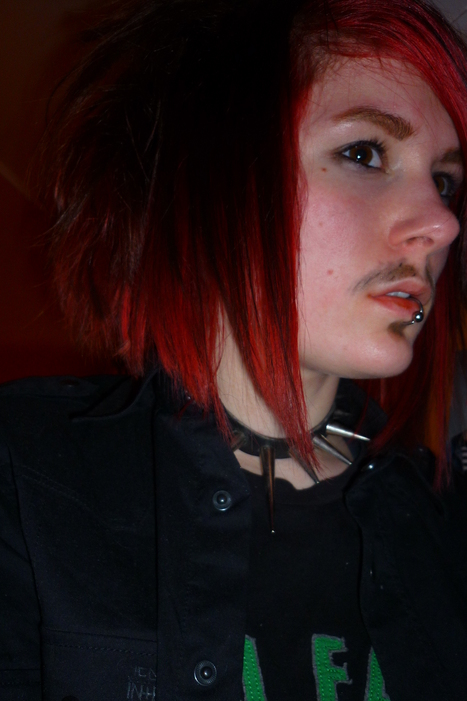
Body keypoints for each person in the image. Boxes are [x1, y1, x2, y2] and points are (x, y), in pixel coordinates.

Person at [1, 0, 467, 699]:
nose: (441, 223)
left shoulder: (447, 525)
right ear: (208, 178)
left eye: (445, 181)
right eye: (364, 153)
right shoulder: (25, 475)